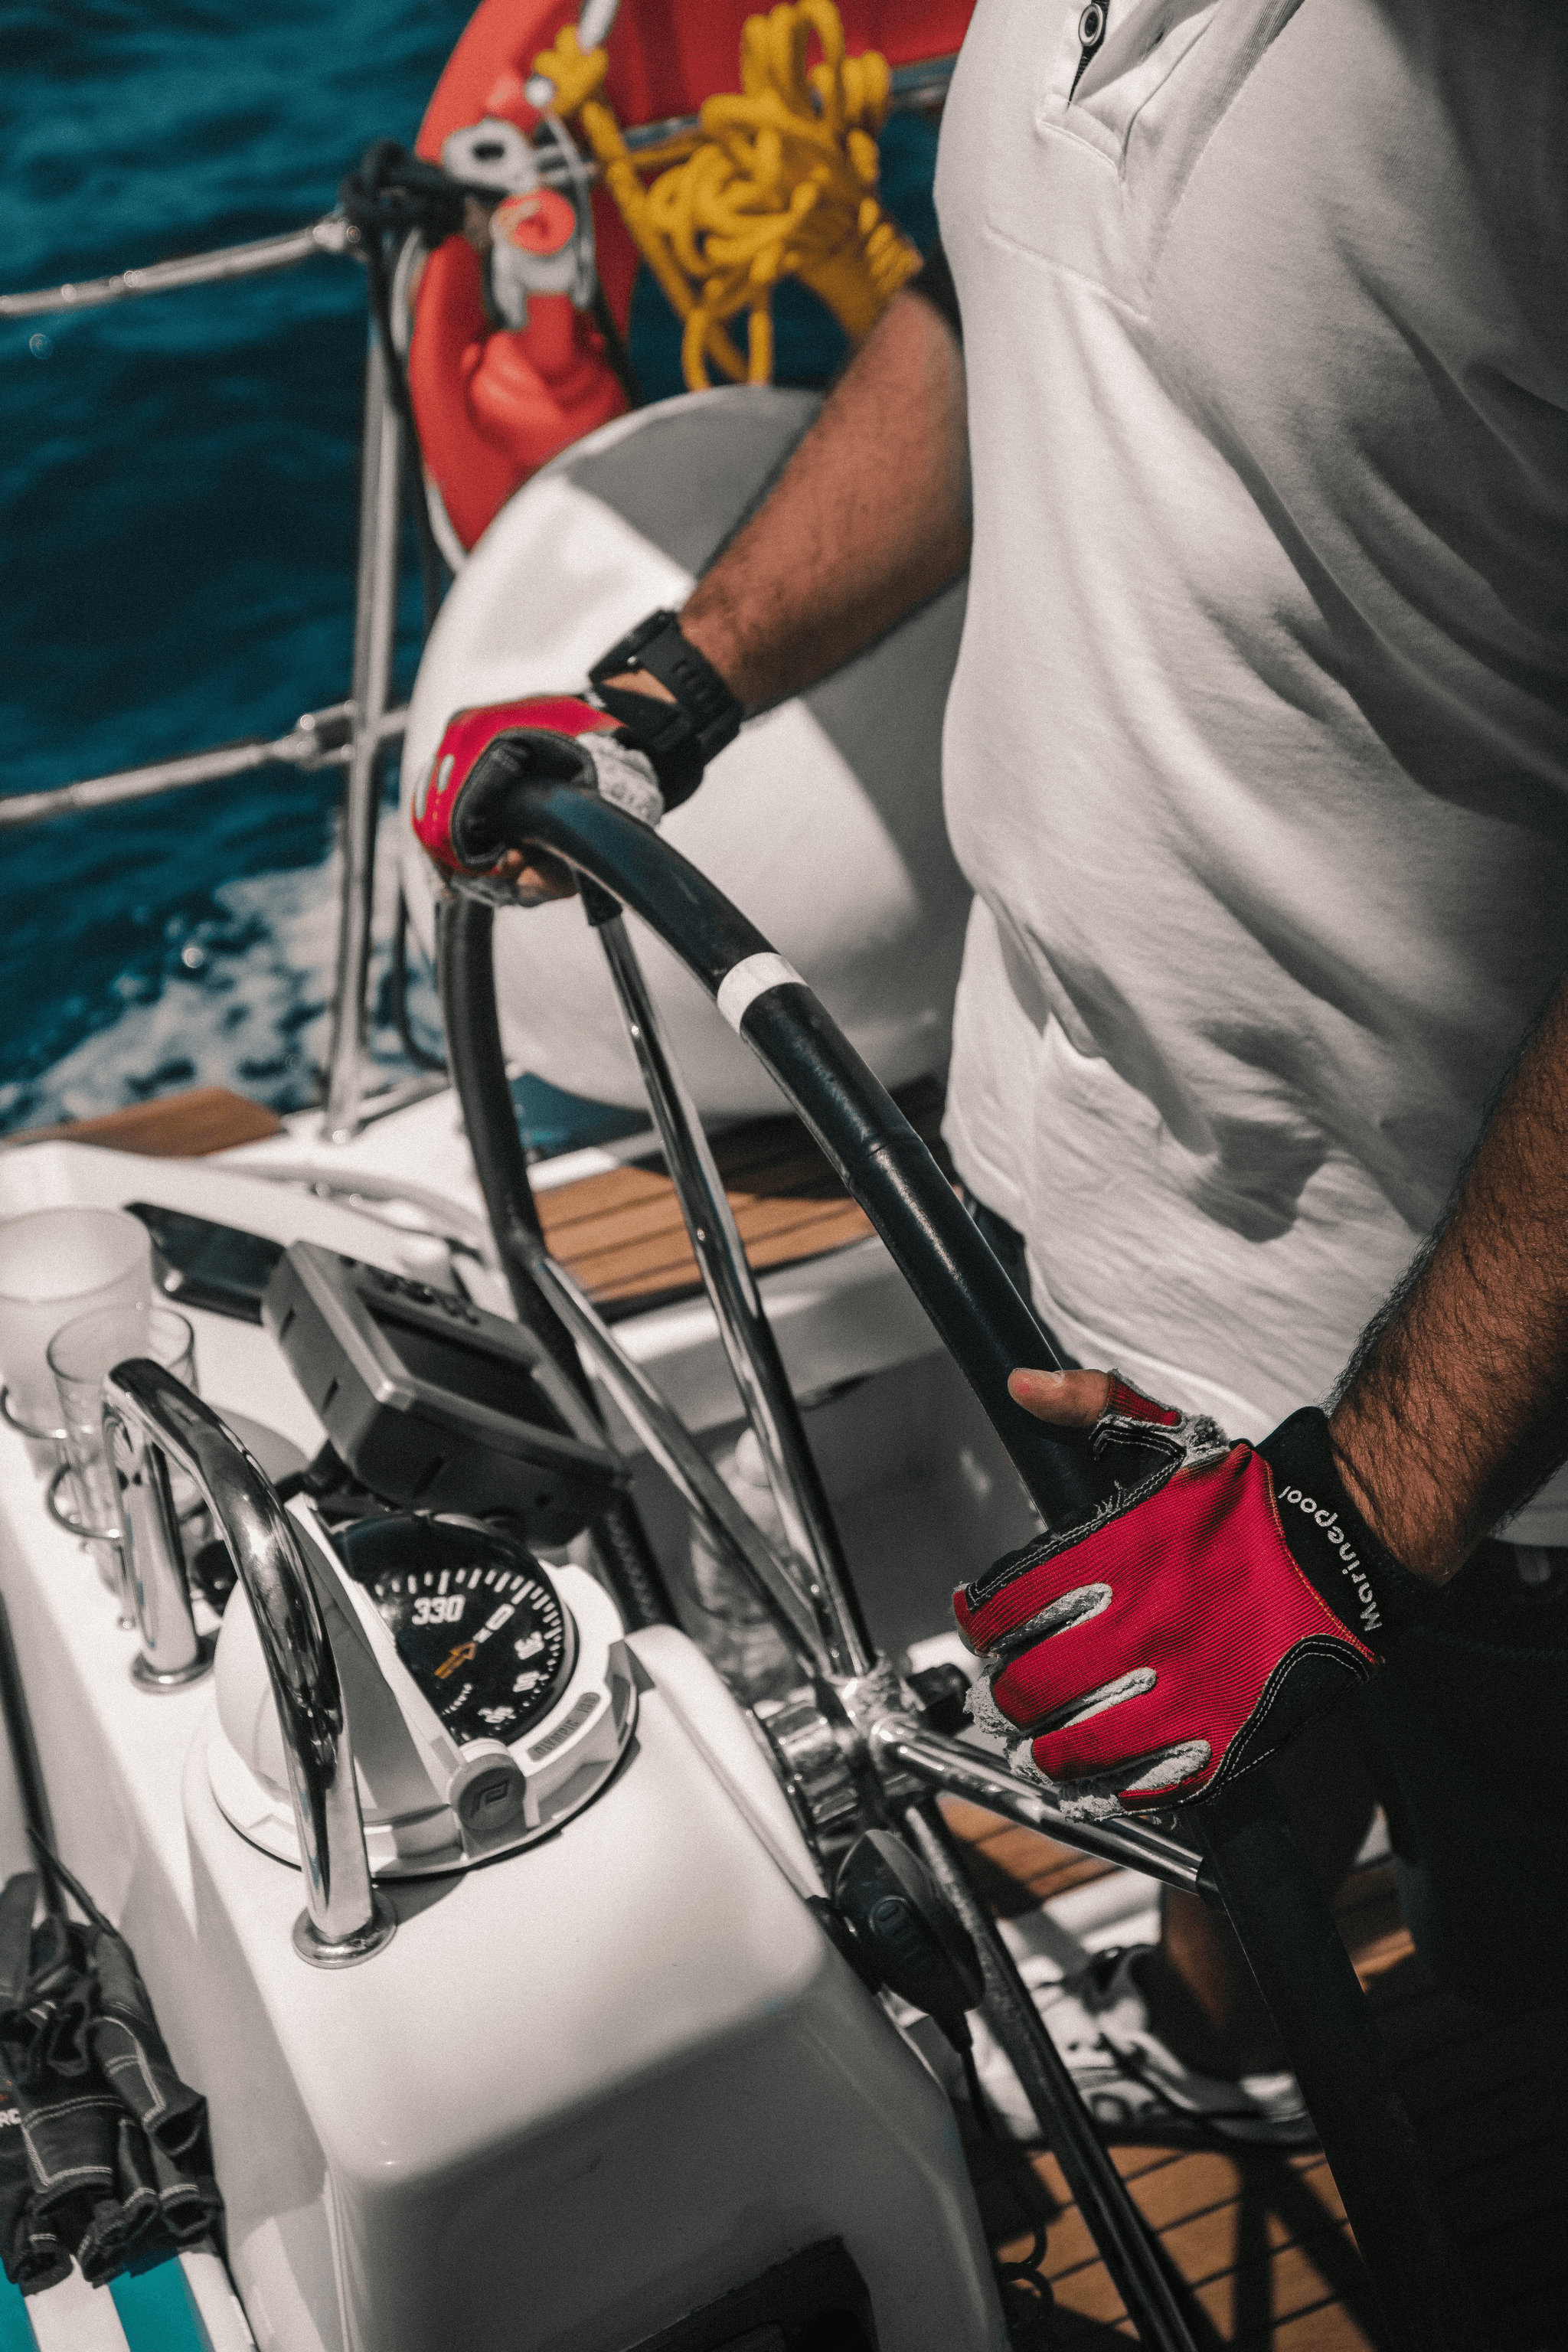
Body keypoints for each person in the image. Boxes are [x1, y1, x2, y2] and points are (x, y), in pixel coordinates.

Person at [417, 0, 1568, 2141]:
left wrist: (1355, 1514)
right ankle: (1225, 2039)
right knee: (1258, 1804)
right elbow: (993, 300)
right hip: (1103, 1200)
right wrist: (670, 691)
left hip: (1487, 1419)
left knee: (1525, 1963)